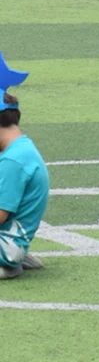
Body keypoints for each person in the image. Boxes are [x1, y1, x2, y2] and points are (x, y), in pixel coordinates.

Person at [0, 53, 49, 280]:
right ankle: (16, 255)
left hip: (7, 244)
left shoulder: (13, 161)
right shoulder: (22, 149)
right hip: (14, 239)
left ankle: (10, 262)